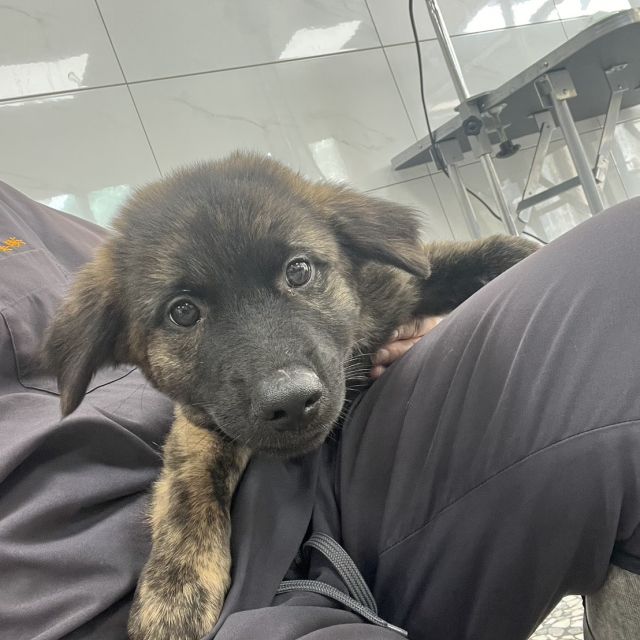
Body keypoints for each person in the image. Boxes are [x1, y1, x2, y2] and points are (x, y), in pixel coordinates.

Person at [1, 178, 639, 640]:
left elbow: (430, 265)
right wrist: (185, 549)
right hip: (189, 573)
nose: (280, 379)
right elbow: (192, 431)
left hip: (353, 466)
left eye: (299, 273)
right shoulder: (116, 290)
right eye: (185, 312)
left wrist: (455, 319)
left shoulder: (46, 222)